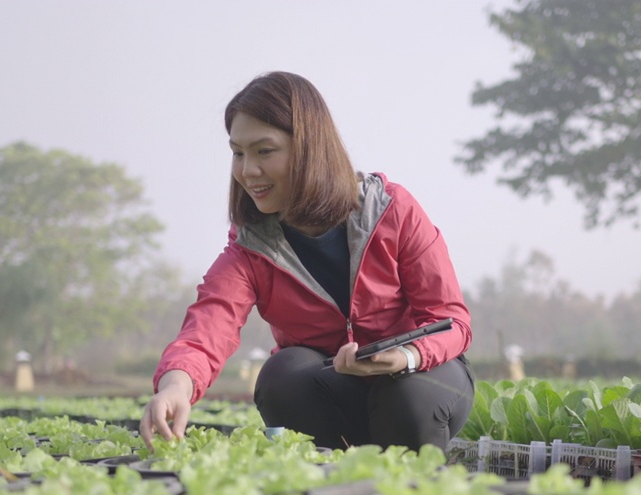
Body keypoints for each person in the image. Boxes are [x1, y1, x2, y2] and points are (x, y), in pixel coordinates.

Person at [140, 71, 474, 453]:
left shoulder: (391, 210)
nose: (247, 171)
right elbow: (209, 326)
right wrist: (175, 385)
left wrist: (406, 356)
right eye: (238, 152)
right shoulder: (252, 248)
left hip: (419, 376)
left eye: (264, 151)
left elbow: (452, 320)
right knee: (282, 375)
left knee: (407, 397)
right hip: (337, 387)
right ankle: (332, 489)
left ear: (310, 147)